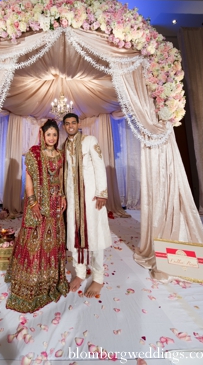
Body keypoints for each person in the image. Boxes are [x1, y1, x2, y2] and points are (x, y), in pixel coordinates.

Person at [5, 119, 69, 313]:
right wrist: (32, 202)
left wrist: (63, 195)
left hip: (56, 203)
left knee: (53, 240)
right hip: (39, 203)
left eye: (55, 135)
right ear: (42, 134)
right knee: (36, 240)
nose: (51, 138)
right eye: (49, 134)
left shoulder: (59, 155)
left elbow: (59, 177)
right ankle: (32, 281)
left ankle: (50, 280)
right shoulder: (34, 153)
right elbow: (29, 179)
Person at [63, 113, 112, 298]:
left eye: (73, 123)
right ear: (64, 126)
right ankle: (80, 272)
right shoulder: (65, 146)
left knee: (95, 234)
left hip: (91, 198)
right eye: (66, 124)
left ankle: (98, 276)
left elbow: (100, 166)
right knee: (75, 235)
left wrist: (102, 193)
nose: (70, 126)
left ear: (78, 124)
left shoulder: (89, 140)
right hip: (73, 200)